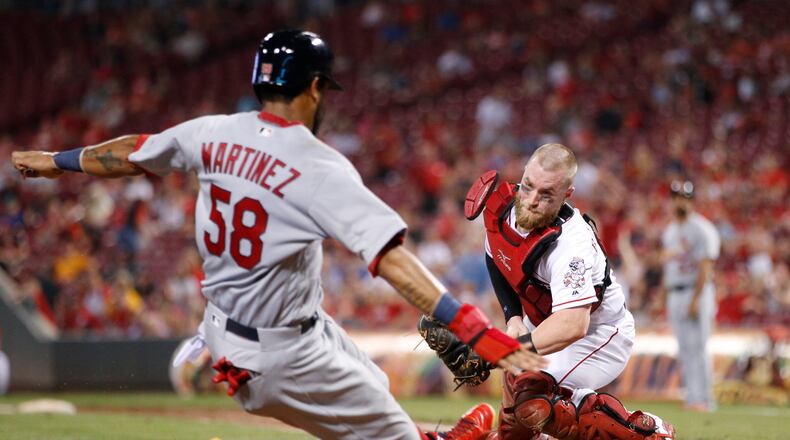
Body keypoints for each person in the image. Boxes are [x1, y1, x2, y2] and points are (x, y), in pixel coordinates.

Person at [12, 29, 544, 440]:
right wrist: (474, 329)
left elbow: (133, 152)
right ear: (314, 88)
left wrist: (58, 161)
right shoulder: (317, 164)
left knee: (376, 388)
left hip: (229, 335)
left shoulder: (211, 131)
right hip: (283, 353)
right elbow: (391, 260)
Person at [422, 144, 675, 439]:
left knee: (534, 400)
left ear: (567, 194)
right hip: (541, 326)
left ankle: (646, 433)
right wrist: (513, 317)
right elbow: (496, 256)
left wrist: (495, 352)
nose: (531, 201)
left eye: (546, 194)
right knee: (516, 431)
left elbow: (572, 325)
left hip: (598, 334)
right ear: (523, 175)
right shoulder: (505, 211)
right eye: (528, 186)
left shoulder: (572, 245)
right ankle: (475, 433)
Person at [658, 180, 720, 412]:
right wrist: (663, 297)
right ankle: (692, 397)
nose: (680, 202)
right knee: (684, 348)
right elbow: (669, 268)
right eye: (676, 197)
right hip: (676, 292)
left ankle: (705, 399)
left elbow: (706, 266)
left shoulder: (702, 228)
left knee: (699, 346)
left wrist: (695, 299)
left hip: (697, 291)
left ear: (692, 201)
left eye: (684, 198)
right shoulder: (670, 231)